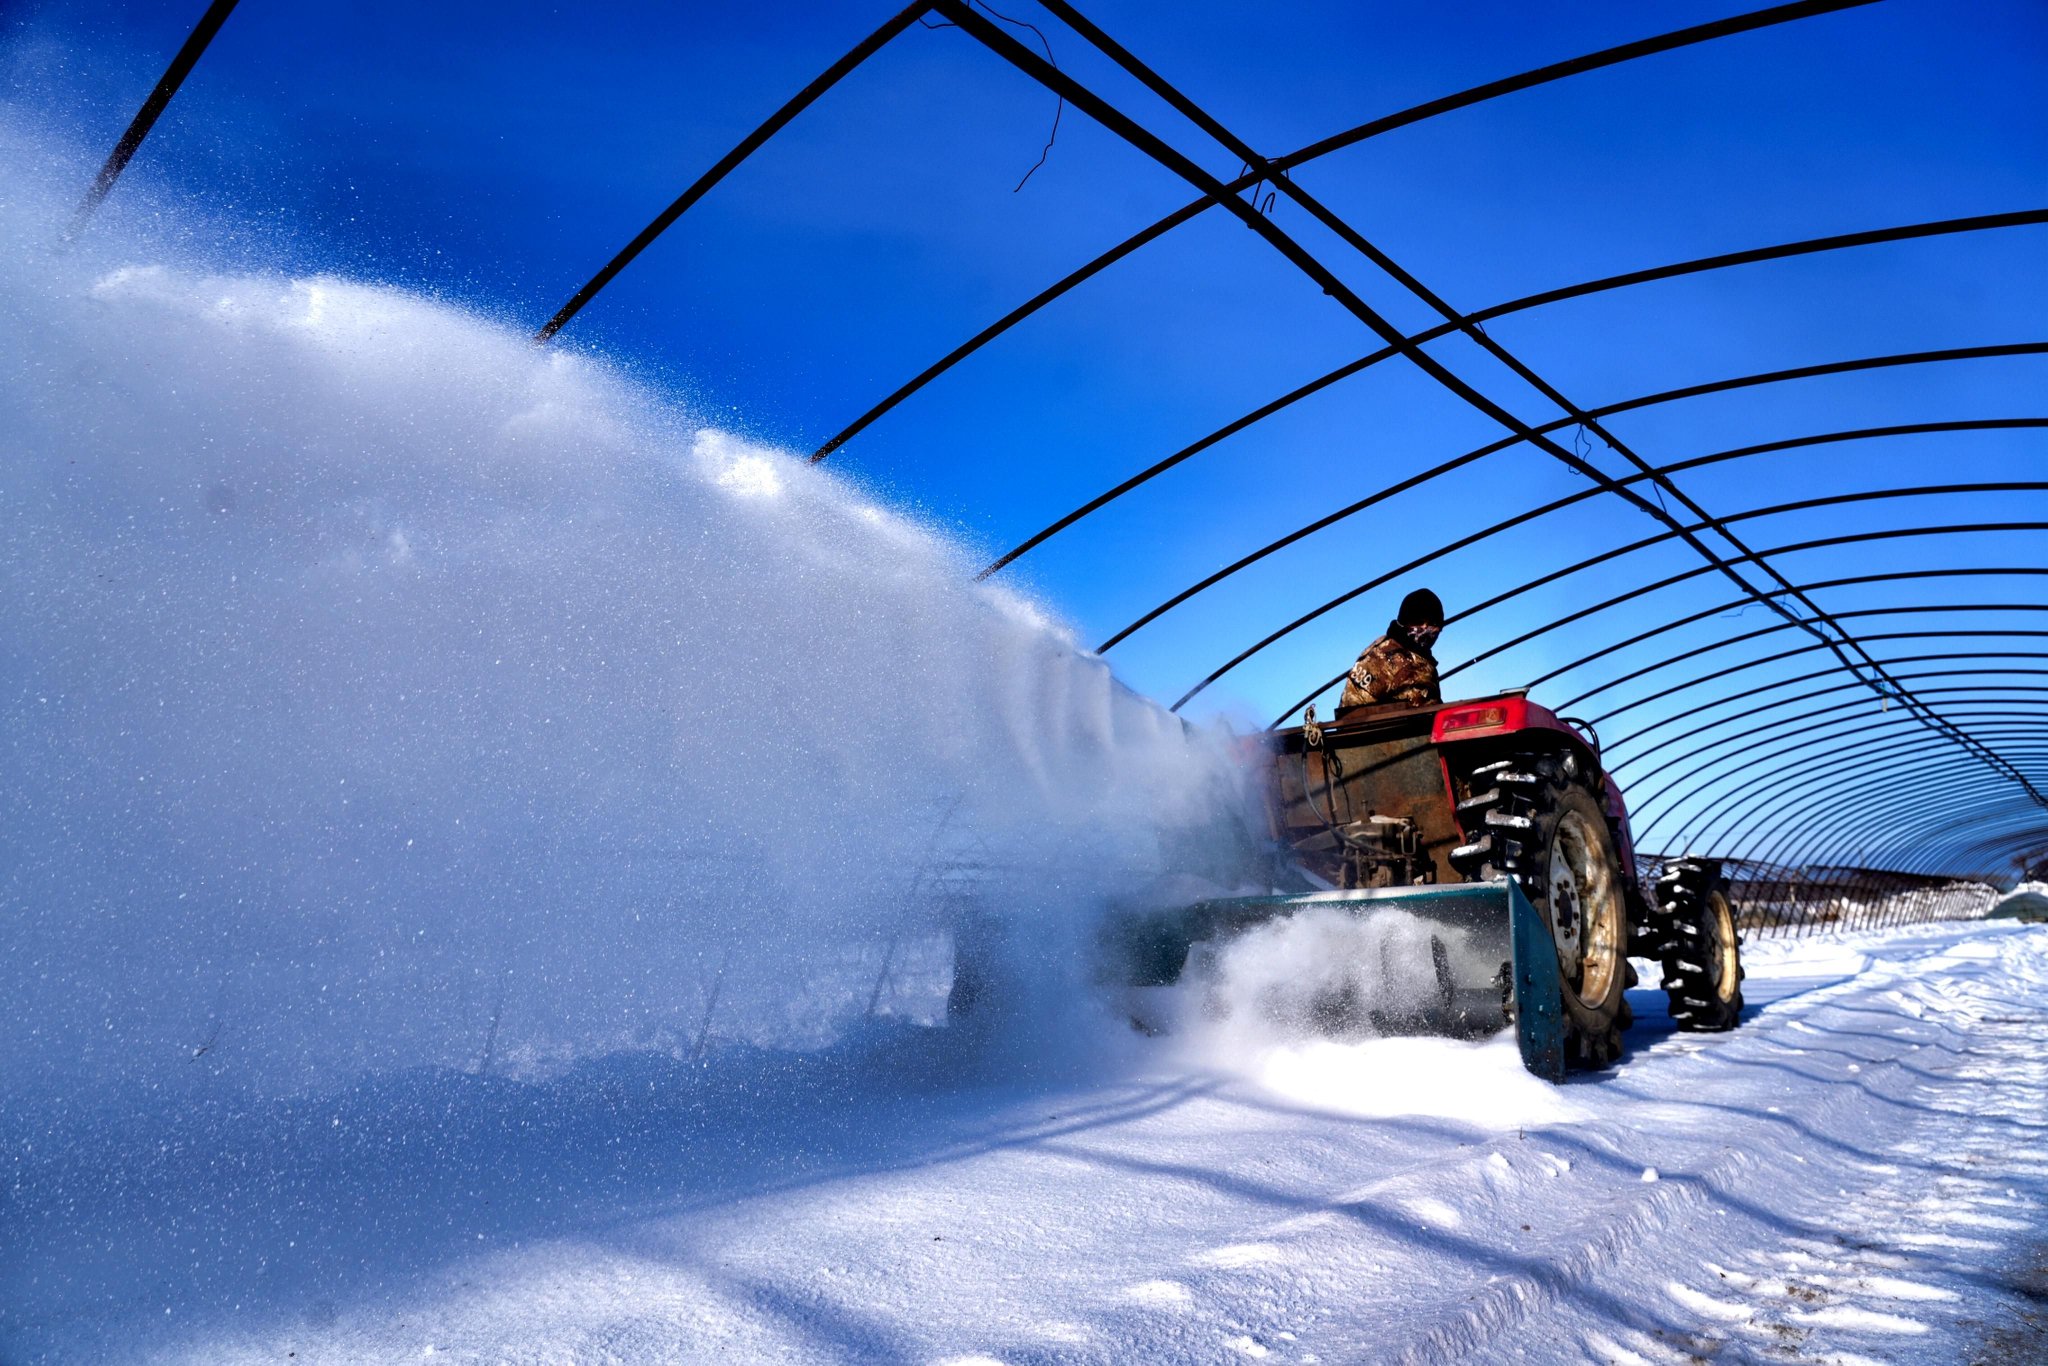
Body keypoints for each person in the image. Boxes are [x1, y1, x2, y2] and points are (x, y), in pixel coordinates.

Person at [1340, 588, 1444, 708]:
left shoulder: (1379, 646)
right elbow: (1428, 713)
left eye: (1435, 625)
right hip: (1385, 725)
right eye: (1419, 621)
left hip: (1353, 724)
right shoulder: (1412, 667)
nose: (1427, 629)